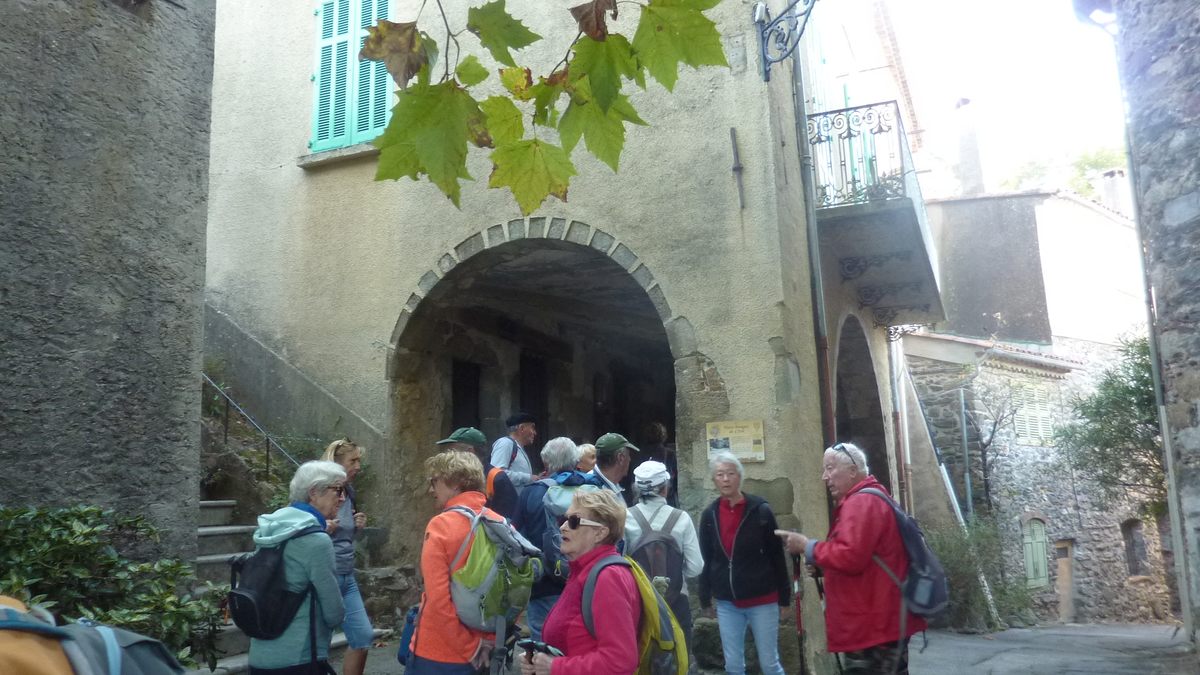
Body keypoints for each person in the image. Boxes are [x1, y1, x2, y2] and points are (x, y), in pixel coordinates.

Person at [776, 442, 927, 675]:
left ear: (853, 470)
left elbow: (851, 556)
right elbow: (867, 556)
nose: (824, 477)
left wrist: (807, 546)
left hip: (872, 625)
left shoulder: (861, 503)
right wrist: (824, 567)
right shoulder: (874, 497)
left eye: (830, 468)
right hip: (884, 620)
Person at [519, 490, 640, 675]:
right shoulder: (583, 571)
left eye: (574, 521)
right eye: (563, 519)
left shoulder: (608, 577)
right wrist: (538, 660)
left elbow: (620, 661)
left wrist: (555, 666)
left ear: (600, 533)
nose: (562, 527)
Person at [248, 461, 346, 675]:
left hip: (259, 655)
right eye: (338, 490)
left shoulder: (271, 528)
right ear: (314, 492)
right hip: (299, 657)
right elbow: (334, 612)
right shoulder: (316, 540)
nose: (343, 498)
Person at [698, 451, 790, 675]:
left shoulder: (761, 511)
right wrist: (704, 598)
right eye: (720, 474)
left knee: (769, 663)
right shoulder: (710, 515)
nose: (726, 479)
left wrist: (785, 599)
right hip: (728, 603)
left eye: (731, 473)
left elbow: (777, 556)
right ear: (714, 480)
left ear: (739, 477)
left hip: (763, 600)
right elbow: (706, 558)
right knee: (733, 666)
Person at [407, 450, 497, 674]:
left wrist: (469, 647)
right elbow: (514, 589)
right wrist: (489, 639)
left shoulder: (442, 525)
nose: (431, 490)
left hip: (439, 652)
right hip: (486, 650)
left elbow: (438, 600)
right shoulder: (500, 523)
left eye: (434, 481)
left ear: (456, 483)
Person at [512, 437, 604, 640]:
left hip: (545, 584)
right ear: (576, 461)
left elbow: (517, 537)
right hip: (587, 580)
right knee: (582, 640)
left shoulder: (531, 492)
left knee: (544, 644)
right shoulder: (593, 490)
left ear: (546, 462)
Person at [624, 460, 703, 661]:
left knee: (641, 661)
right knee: (679, 660)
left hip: (638, 602)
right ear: (665, 488)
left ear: (636, 488)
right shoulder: (681, 518)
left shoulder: (625, 517)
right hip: (676, 601)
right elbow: (696, 567)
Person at [319, 439, 374, 675]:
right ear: (336, 462)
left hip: (347, 576)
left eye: (359, 461)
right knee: (318, 647)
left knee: (363, 637)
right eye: (353, 461)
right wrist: (322, 527)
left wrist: (357, 526)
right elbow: (300, 529)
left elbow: (344, 535)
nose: (358, 466)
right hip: (325, 577)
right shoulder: (318, 492)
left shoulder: (349, 492)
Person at [438, 426, 518, 519]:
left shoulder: (496, 478)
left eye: (453, 451)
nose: (449, 455)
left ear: (470, 452)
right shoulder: (455, 477)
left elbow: (509, 520)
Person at [491, 413, 537, 492]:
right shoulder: (505, 443)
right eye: (532, 428)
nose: (535, 433)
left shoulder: (517, 447)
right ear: (522, 428)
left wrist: (535, 478)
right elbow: (497, 474)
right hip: (507, 499)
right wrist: (529, 477)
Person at [590, 432, 639, 506]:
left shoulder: (610, 482)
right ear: (621, 458)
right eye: (628, 455)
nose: (630, 459)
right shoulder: (594, 492)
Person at [638, 422, 679, 506]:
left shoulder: (640, 454)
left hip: (645, 495)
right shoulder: (669, 453)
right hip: (666, 495)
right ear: (663, 436)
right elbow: (675, 476)